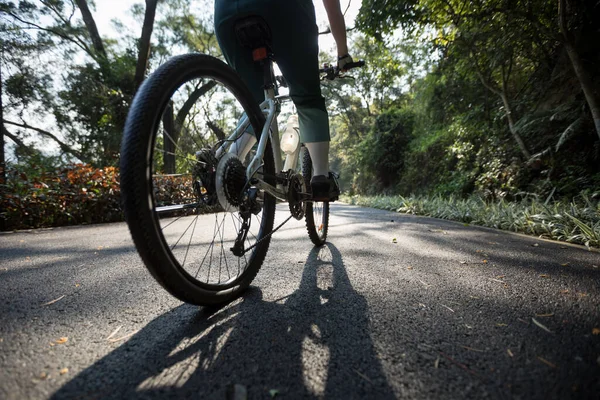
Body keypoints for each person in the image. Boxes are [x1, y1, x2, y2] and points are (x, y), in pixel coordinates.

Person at [214, 0, 353, 201]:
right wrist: (343, 53)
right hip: (283, 9)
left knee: (255, 104)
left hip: (225, 12)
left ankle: (227, 169)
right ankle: (321, 178)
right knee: (307, 96)